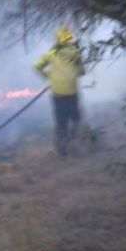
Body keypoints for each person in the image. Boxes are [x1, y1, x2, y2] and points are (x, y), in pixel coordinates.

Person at [34, 25, 85, 156]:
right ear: (69, 38)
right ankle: (75, 144)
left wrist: (48, 76)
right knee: (76, 119)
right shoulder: (75, 53)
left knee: (60, 121)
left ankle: (62, 151)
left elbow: (36, 66)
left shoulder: (51, 53)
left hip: (57, 94)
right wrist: (73, 72)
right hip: (72, 93)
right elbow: (81, 71)